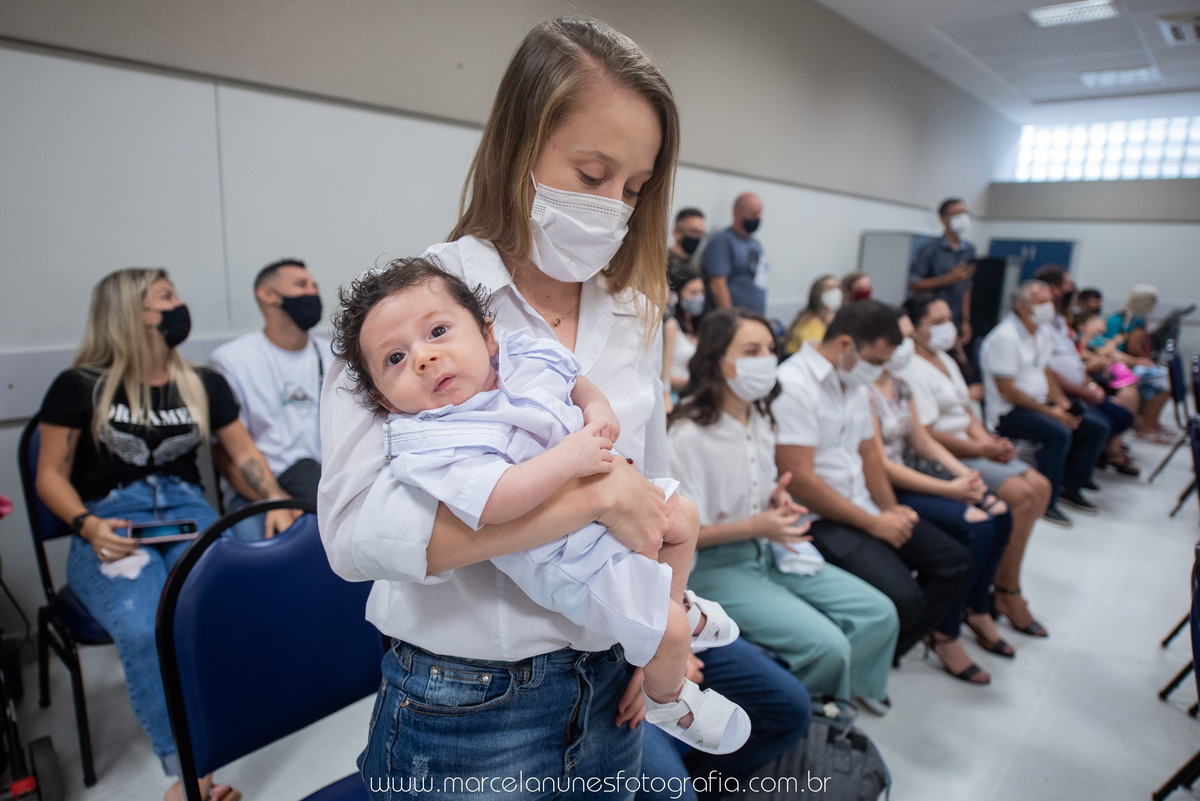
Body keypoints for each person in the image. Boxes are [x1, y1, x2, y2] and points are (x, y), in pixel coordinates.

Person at [316, 18, 779, 796]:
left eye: (633, 189)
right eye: (593, 173)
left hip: (607, 689)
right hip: (467, 704)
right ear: (518, 146)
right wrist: (586, 496)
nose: (613, 207)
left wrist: (651, 639)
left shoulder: (632, 310)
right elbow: (354, 537)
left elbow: (651, 490)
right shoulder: (408, 312)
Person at [334, 259, 748, 753]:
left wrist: (598, 410)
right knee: (672, 633)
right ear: (385, 399)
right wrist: (572, 461)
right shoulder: (435, 441)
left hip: (606, 516)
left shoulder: (519, 358)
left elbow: (573, 379)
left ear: (488, 335)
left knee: (683, 517)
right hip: (565, 557)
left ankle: (673, 597)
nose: (423, 357)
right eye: (395, 359)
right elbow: (496, 502)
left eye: (438, 331)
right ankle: (670, 697)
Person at [35, 268, 298, 801]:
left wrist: (270, 498)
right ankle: (189, 778)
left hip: (186, 511)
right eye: (166, 297)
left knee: (215, 611)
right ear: (132, 313)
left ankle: (226, 730)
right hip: (109, 520)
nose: (180, 305)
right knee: (143, 626)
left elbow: (243, 452)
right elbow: (49, 477)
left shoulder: (202, 382)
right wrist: (86, 525)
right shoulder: (80, 386)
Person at [668, 308, 898, 710]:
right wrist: (757, 524)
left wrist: (776, 497)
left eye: (771, 349)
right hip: (713, 566)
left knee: (878, 613)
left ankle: (843, 692)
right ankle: (804, 712)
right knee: (826, 645)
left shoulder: (760, 416)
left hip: (766, 548)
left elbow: (757, 484)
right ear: (717, 359)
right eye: (752, 350)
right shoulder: (688, 435)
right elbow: (683, 534)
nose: (767, 360)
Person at [773, 300, 971, 663]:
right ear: (846, 344)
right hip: (817, 518)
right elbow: (799, 479)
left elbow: (869, 455)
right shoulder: (794, 384)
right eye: (876, 361)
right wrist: (874, 523)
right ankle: (864, 665)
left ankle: (883, 655)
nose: (878, 371)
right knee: (904, 599)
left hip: (861, 505)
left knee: (953, 562)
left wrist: (890, 510)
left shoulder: (852, 380)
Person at [868, 313, 1014, 685]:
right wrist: (949, 489)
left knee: (999, 512)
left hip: (914, 474)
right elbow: (880, 464)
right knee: (977, 526)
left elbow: (922, 441)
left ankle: (977, 607)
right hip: (886, 485)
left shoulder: (899, 384)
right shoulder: (863, 389)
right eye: (895, 338)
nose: (903, 347)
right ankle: (944, 632)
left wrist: (963, 474)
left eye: (905, 338)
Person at [901, 293, 1053, 638]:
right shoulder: (909, 366)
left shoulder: (945, 358)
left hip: (972, 446)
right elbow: (925, 435)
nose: (947, 328)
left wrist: (989, 442)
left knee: (1041, 487)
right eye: (936, 322)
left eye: (947, 319)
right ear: (915, 329)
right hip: (949, 452)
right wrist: (979, 448)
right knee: (1019, 495)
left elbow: (965, 408)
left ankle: (1001, 581)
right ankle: (1005, 592)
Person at [209, 258, 333, 540]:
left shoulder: (335, 356)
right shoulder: (232, 361)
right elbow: (226, 454)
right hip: (258, 494)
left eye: (314, 286)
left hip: (326, 488)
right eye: (301, 285)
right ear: (268, 295)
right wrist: (275, 501)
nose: (313, 293)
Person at [979, 280, 1109, 527]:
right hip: (1009, 411)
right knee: (1058, 433)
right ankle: (1046, 503)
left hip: (1039, 402)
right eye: (1041, 302)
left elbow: (1046, 371)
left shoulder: (1041, 331)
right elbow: (1008, 391)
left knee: (1095, 425)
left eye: (1049, 301)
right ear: (1022, 306)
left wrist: (1062, 405)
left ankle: (1070, 486)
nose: (1049, 306)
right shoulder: (1005, 337)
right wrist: (1052, 413)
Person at [1033, 266, 1135, 472]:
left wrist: (1090, 384)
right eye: (1068, 285)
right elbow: (1048, 370)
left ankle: (1089, 457)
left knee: (1122, 415)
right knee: (1099, 424)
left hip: (1079, 386)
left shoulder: (1060, 321)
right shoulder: (1037, 325)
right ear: (1055, 289)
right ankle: (1074, 472)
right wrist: (1082, 392)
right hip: (1060, 392)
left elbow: (1073, 359)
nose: (1072, 290)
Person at [1105, 284, 1173, 443]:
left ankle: (1149, 422)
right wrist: (1143, 360)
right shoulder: (1138, 320)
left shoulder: (1119, 315)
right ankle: (1148, 427)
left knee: (1160, 375)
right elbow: (1134, 348)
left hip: (1116, 358)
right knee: (1165, 380)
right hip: (1122, 362)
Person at [908, 198, 976, 343]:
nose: (962, 217)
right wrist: (948, 278)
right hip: (932, 319)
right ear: (943, 220)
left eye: (964, 212)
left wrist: (965, 320)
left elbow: (966, 287)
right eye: (957, 213)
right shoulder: (930, 250)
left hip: (955, 317)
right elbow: (913, 284)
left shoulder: (969, 249)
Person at [701, 193, 767, 314]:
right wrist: (731, 321)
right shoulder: (723, 242)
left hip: (754, 320)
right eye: (753, 214)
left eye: (759, 213)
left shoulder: (756, 243)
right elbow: (718, 286)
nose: (757, 218)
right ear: (737, 212)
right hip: (732, 323)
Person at [665, 272, 705, 398]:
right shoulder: (671, 326)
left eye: (701, 292)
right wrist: (696, 384)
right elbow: (663, 375)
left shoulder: (698, 326)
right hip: (675, 397)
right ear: (677, 295)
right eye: (693, 292)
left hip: (691, 396)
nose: (699, 297)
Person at [783, 274, 840, 356]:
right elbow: (815, 353)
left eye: (837, 287)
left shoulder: (828, 318)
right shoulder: (811, 322)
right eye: (829, 288)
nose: (836, 292)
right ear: (818, 293)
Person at [667, 207, 706, 291]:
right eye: (694, 231)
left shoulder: (696, 264)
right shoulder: (662, 260)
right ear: (676, 232)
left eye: (701, 232)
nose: (698, 237)